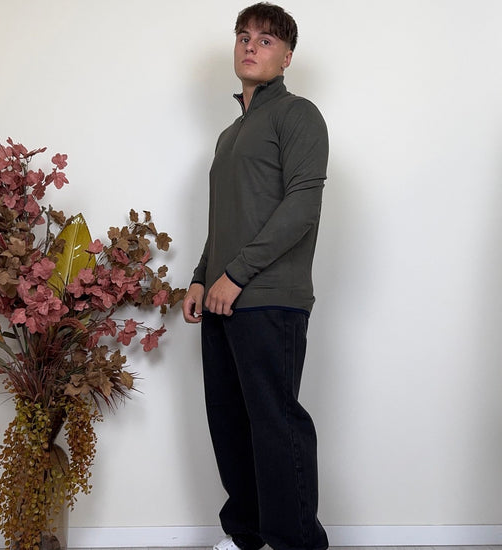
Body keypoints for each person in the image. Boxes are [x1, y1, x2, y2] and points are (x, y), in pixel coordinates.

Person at [182, 3, 329, 550]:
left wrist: (237, 274)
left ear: (287, 57)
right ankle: (246, 534)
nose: (250, 45)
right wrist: (202, 277)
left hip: (269, 297)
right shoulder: (229, 134)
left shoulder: (298, 114)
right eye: (244, 36)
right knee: (230, 422)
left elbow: (302, 206)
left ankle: (296, 544)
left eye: (266, 40)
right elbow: (225, 218)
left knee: (275, 423)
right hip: (221, 297)